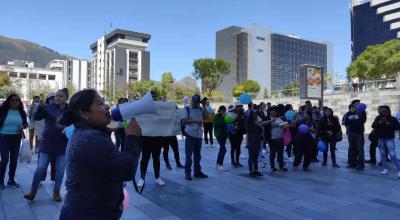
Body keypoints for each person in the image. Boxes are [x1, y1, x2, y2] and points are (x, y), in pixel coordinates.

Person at [57, 89, 142, 220]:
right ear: (84, 113)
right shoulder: (91, 138)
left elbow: (103, 163)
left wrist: (105, 131)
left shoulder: (88, 133)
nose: (107, 106)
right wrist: (132, 137)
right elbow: (127, 170)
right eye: (100, 103)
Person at [24, 88, 69, 202]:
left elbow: (76, 123)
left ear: (66, 98)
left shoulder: (70, 110)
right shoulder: (48, 108)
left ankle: (56, 192)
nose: (57, 98)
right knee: (40, 169)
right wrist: (40, 108)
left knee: (60, 171)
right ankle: (33, 192)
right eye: (56, 96)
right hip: (47, 143)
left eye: (61, 96)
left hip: (62, 146)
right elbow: (37, 117)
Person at [0, 94, 28, 189]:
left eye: (17, 100)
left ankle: (11, 180)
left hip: (16, 138)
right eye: (13, 100)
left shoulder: (21, 112)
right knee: (4, 159)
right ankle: (1, 180)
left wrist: (23, 126)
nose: (15, 102)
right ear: (9, 101)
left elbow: (25, 124)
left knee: (14, 159)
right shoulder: (3, 110)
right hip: (3, 137)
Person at [182, 94, 208, 180]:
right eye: (194, 102)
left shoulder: (200, 108)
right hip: (190, 134)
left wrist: (204, 106)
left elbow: (206, 117)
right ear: (191, 100)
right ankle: (187, 173)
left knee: (198, 155)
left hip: (199, 134)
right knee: (188, 156)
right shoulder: (187, 108)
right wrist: (196, 121)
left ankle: (197, 172)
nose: (195, 104)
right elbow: (184, 121)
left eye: (197, 102)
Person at [371, 106, 400, 177]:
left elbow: (398, 127)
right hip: (381, 138)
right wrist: (380, 122)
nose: (383, 113)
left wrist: (389, 124)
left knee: (392, 155)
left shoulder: (393, 119)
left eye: (385, 111)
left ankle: (399, 170)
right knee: (382, 154)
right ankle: (385, 168)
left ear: (389, 111)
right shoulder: (378, 118)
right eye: (382, 111)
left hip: (389, 139)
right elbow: (373, 125)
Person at [344, 100, 367, 170]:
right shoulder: (349, 113)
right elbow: (346, 122)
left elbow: (363, 120)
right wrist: (350, 118)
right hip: (351, 132)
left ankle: (361, 165)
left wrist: (358, 116)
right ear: (353, 104)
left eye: (359, 103)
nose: (359, 104)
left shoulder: (362, 112)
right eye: (357, 103)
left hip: (359, 132)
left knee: (360, 149)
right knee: (352, 148)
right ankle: (352, 163)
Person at [265, 106, 288, 173]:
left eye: (275, 111)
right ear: (270, 112)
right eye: (272, 111)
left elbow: (285, 125)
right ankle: (273, 167)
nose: (274, 112)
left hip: (280, 138)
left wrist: (284, 125)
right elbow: (266, 127)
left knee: (280, 153)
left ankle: (281, 166)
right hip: (272, 139)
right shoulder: (268, 119)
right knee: (273, 153)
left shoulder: (279, 119)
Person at [246, 109, 264, 177]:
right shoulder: (249, 122)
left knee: (256, 157)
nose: (255, 116)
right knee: (251, 157)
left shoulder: (257, 122)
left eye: (256, 114)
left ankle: (256, 170)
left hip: (257, 141)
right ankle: (251, 171)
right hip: (251, 142)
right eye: (254, 114)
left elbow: (260, 131)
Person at [229, 104, 246, 168]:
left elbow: (244, 122)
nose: (241, 107)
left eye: (241, 106)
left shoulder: (242, 114)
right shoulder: (231, 114)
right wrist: (234, 123)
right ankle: (232, 161)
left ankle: (237, 161)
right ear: (236, 107)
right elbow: (229, 122)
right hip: (233, 133)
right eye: (239, 106)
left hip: (240, 133)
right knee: (233, 147)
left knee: (238, 148)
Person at [214, 105, 228, 171]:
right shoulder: (216, 116)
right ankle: (220, 164)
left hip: (223, 135)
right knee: (223, 149)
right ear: (220, 110)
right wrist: (223, 117)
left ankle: (217, 163)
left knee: (221, 149)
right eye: (223, 111)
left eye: (225, 111)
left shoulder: (224, 116)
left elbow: (225, 125)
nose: (224, 112)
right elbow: (218, 124)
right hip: (219, 135)